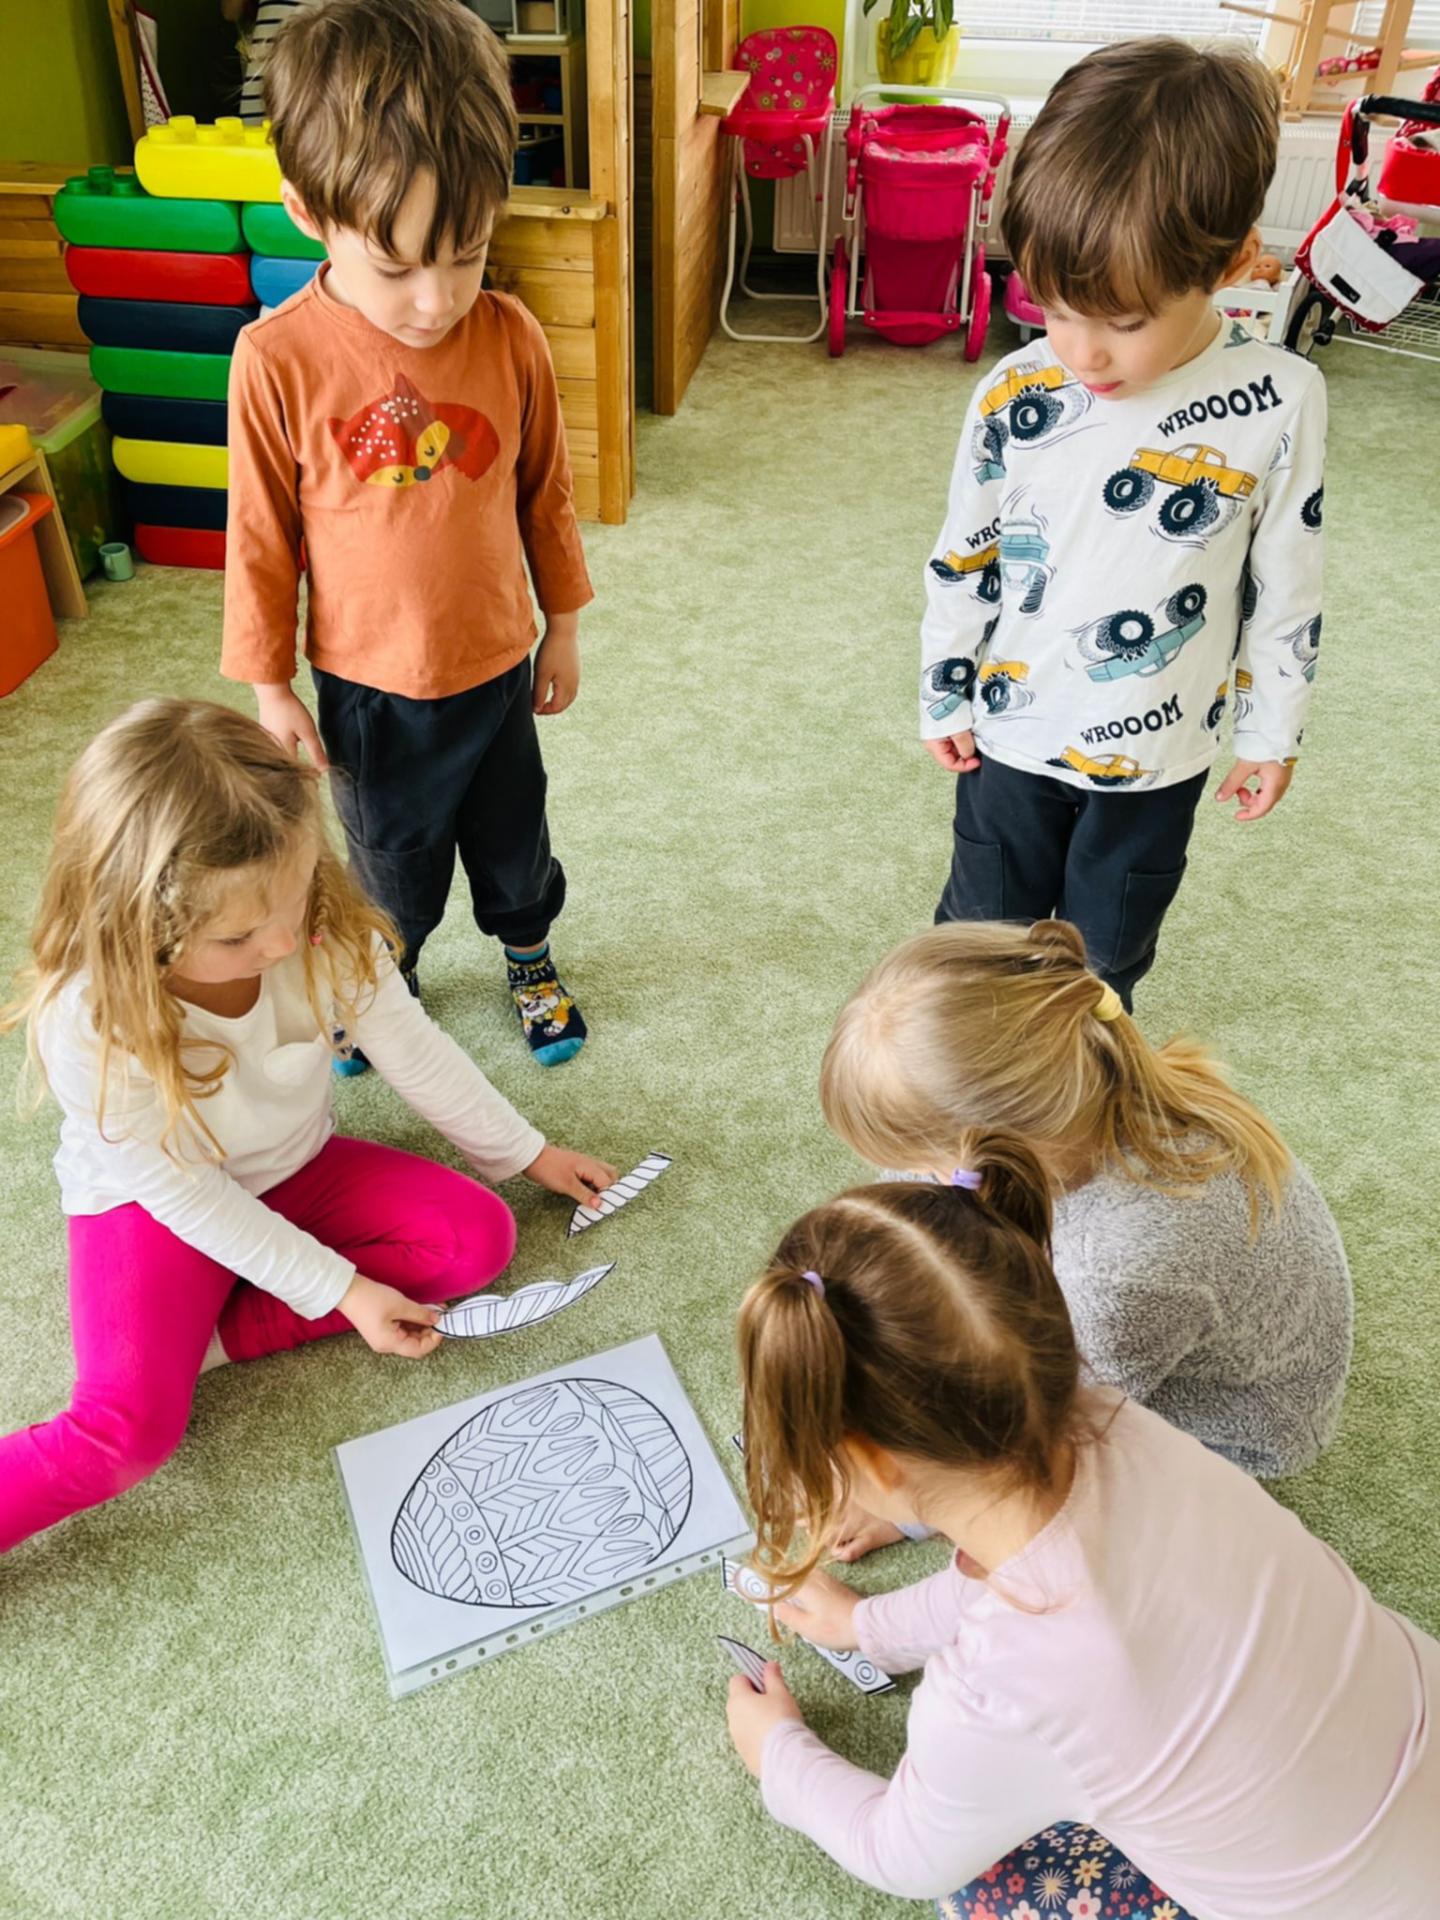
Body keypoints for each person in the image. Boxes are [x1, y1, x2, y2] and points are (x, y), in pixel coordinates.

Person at [724, 1173, 1439, 1918]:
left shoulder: (997, 1693)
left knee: (986, 1889)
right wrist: (866, 1626)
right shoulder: (1122, 1423)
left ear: (870, 1464)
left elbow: (898, 1853)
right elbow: (1036, 1567)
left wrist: (779, 1754)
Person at [0, 700, 614, 1554]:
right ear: (135, 928)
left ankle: (213, 1334)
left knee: (476, 1240)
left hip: (295, 1168)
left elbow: (411, 1047)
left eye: (291, 898)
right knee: (127, 1433)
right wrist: (343, 1291)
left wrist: (525, 1152)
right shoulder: (89, 1017)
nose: (284, 941)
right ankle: (202, 1325)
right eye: (238, 937)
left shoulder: (321, 926)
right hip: (154, 1207)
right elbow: (184, 1193)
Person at [221, 0, 594, 1070]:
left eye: (467, 253)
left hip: (497, 667)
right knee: (391, 865)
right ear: (308, 212)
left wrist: (564, 625)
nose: (436, 301)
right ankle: (384, 982)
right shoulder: (275, 360)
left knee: (515, 845)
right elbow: (260, 537)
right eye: (395, 267)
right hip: (369, 688)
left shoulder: (510, 336)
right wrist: (269, 689)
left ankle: (529, 958)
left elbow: (545, 493)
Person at [921, 38, 1325, 1006]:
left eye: (1124, 321)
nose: (1081, 352)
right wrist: (944, 689)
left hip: (1157, 757)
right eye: (1055, 307)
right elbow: (966, 552)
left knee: (1105, 965)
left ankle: (1088, 1083)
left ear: (1233, 263)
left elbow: (1287, 586)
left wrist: (1272, 732)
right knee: (981, 951)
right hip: (1013, 735)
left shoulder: (1281, 397)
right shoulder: (1017, 389)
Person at [817, 917, 1352, 1558]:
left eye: (926, 1163)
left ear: (1004, 1152)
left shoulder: (1120, 1268)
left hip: (1236, 1425)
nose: (912, 1180)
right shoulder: (1087, 1077)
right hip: (1181, 1317)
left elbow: (1054, 1428)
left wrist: (910, 1505)